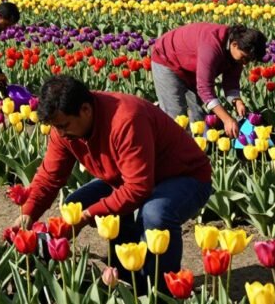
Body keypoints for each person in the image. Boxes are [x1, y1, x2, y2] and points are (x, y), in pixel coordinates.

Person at [13, 75, 212, 293]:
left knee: (155, 214)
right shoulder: (65, 128)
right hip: (129, 178)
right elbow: (50, 177)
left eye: (64, 125)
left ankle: (162, 290)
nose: (60, 133)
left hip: (185, 176)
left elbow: (138, 188)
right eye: (55, 127)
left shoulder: (126, 119)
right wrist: (27, 214)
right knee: (75, 205)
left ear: (85, 110)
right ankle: (126, 277)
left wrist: (88, 216)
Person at [150, 23, 267, 137]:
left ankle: (201, 147)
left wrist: (237, 101)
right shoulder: (212, 45)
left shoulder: (236, 51)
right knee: (177, 117)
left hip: (191, 67)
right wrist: (227, 119)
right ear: (234, 44)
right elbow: (205, 89)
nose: (245, 63)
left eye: (249, 60)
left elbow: (231, 83)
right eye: (244, 58)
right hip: (167, 59)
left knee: (198, 115)